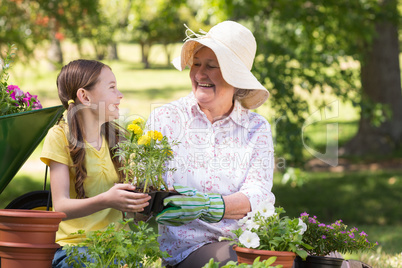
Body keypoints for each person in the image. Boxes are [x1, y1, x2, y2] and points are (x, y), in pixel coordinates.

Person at [146, 21, 275, 267]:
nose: (199, 74)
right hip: (188, 251)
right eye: (196, 64)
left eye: (211, 66)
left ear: (235, 78)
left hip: (248, 243)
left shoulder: (256, 128)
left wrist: (209, 206)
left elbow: (257, 194)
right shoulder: (166, 119)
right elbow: (148, 191)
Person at [40, 59, 151, 268]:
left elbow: (134, 216)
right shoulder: (60, 136)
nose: (120, 95)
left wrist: (148, 200)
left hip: (121, 247)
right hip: (77, 250)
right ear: (85, 96)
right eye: (112, 88)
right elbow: (60, 207)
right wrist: (106, 200)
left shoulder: (118, 139)